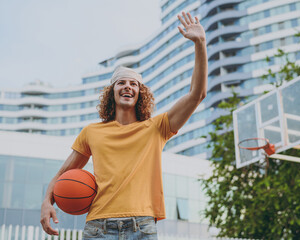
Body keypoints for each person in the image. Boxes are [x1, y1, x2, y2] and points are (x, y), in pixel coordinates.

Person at [40, 12, 207, 239]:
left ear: (140, 93)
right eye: (121, 83)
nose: (128, 87)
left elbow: (197, 94)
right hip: (99, 226)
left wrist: (200, 44)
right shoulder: (92, 132)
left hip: (142, 226)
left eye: (133, 84)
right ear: (112, 92)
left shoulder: (157, 127)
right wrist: (47, 202)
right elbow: (64, 173)